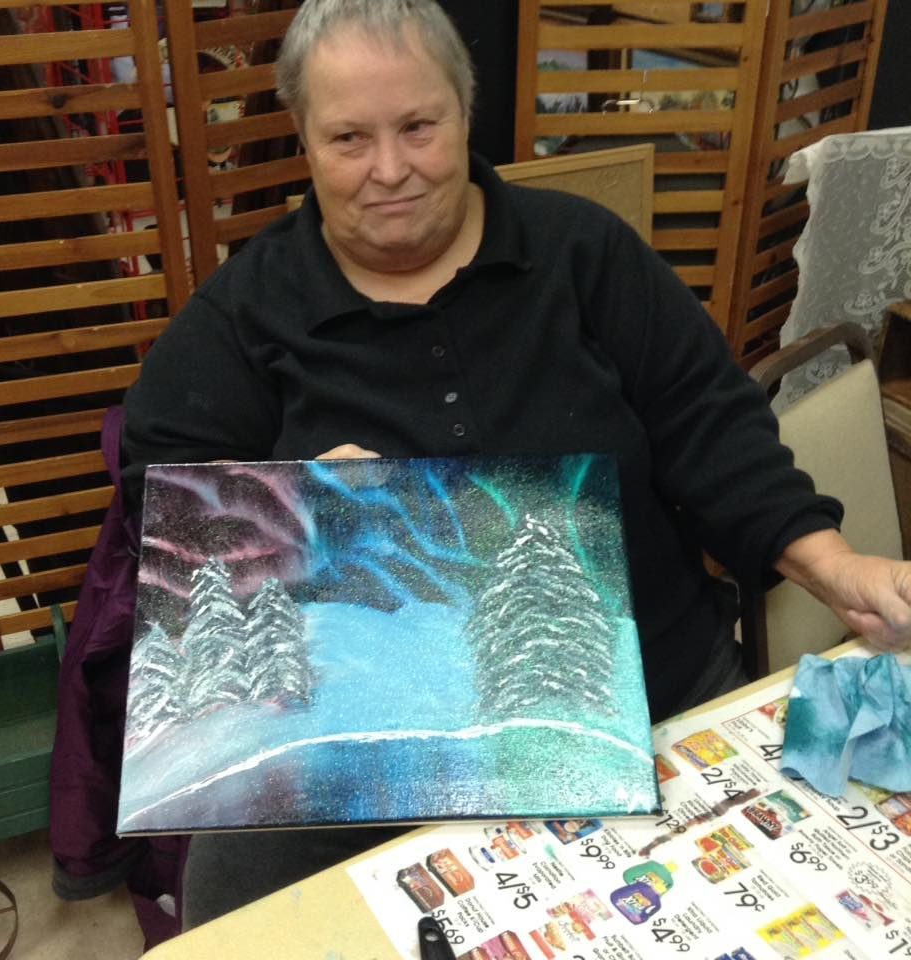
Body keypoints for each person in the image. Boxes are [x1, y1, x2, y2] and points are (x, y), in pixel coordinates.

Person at [121, 0, 911, 929]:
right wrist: (289, 499)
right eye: (348, 138)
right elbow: (161, 501)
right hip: (352, 766)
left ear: (466, 113)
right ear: (304, 139)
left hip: (647, 702)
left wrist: (836, 566)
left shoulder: (584, 253)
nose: (390, 170)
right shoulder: (244, 316)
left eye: (419, 126)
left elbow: (713, 426)